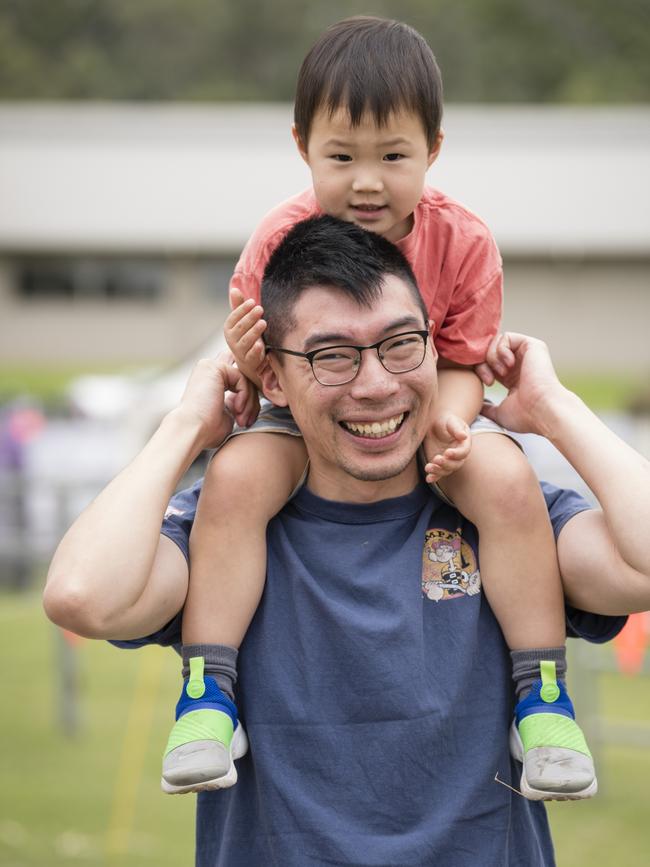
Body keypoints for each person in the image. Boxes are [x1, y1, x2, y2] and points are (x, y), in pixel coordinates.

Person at [44, 217, 650, 866]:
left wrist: (556, 409)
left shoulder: (509, 516)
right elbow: (83, 595)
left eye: (400, 344)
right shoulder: (230, 525)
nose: (375, 384)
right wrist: (187, 424)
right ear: (273, 378)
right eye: (333, 355)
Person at [162, 15, 588, 798]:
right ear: (301, 147)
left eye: (394, 156)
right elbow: (265, 376)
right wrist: (249, 360)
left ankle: (544, 696)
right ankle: (206, 690)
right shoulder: (277, 240)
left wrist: (452, 423)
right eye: (341, 156)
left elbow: (462, 357)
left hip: (429, 410)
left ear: (434, 149)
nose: (367, 181)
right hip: (303, 414)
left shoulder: (463, 241)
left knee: (502, 478)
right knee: (235, 479)